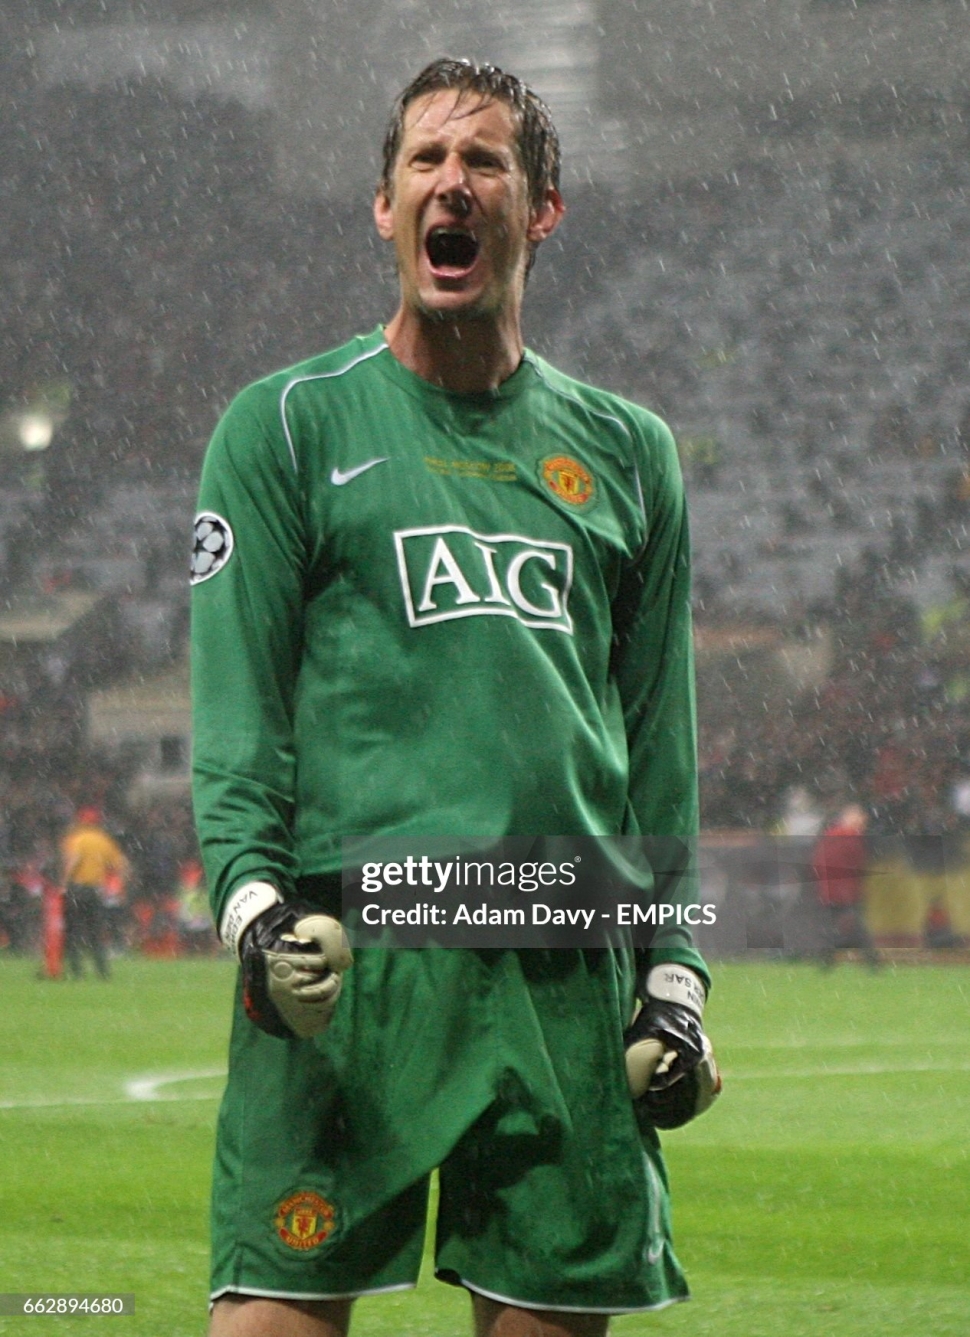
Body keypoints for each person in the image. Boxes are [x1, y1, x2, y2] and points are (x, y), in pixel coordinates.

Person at [191, 58, 719, 1337]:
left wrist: (678, 975)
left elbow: (657, 743)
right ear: (383, 208)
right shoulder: (285, 428)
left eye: (483, 161)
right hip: (349, 958)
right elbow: (236, 715)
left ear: (540, 207)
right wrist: (254, 910)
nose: (451, 183)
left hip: (560, 966)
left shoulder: (628, 450)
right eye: (424, 161)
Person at [60, 806, 128, 979]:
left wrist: (63, 883)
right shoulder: (104, 840)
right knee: (96, 932)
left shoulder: (76, 839)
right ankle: (102, 970)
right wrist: (119, 886)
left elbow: (74, 860)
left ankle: (77, 971)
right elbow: (122, 865)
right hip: (95, 890)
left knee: (73, 931)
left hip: (77, 889)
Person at [811, 803, 880, 968]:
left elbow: (818, 863)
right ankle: (871, 961)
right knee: (856, 926)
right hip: (846, 891)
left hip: (830, 890)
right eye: (860, 818)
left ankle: (827, 959)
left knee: (835, 926)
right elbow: (858, 863)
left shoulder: (830, 835)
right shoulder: (850, 837)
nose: (863, 822)